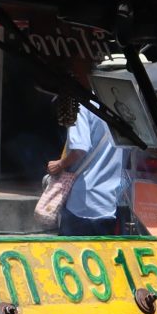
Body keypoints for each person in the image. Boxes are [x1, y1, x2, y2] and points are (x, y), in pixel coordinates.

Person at [46, 61, 129, 233]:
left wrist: (59, 164)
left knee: (72, 255)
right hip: (109, 200)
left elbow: (80, 149)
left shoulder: (83, 105)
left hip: (83, 200)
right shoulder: (125, 110)